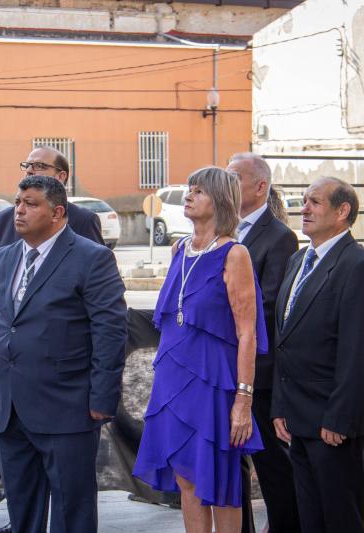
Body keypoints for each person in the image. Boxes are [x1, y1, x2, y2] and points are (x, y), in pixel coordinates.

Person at [0, 175, 127, 533]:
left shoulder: (92, 258)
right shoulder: (1, 257)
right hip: (9, 408)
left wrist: (102, 397)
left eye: (31, 204)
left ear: (57, 212)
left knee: (72, 510)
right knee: (22, 508)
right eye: (18, 202)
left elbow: (110, 331)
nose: (20, 210)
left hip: (68, 406)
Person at [133, 167, 268, 533]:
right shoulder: (179, 249)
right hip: (174, 382)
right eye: (189, 190)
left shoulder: (234, 254)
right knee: (186, 480)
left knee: (220, 483)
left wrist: (243, 399)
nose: (188, 196)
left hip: (214, 383)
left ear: (220, 200)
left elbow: (248, 334)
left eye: (198, 191)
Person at [271, 177, 364, 533]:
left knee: (340, 519)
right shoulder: (298, 260)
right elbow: (284, 339)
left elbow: (359, 353)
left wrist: (340, 418)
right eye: (303, 201)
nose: (303, 209)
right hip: (296, 417)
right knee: (311, 519)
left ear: (342, 211)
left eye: (314, 202)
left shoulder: (359, 266)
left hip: (331, 422)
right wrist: (279, 407)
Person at [227, 153, 300, 533]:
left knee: (272, 463)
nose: (226, 183)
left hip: (261, 372)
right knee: (231, 463)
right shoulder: (223, 230)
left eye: (234, 177)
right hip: (224, 366)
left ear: (260, 187)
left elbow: (269, 303)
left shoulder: (279, 237)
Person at [0, 146, 103, 254]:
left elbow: (96, 266)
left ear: (61, 176)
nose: (29, 171)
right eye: (27, 165)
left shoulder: (83, 221)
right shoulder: (2, 220)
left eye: (39, 166)